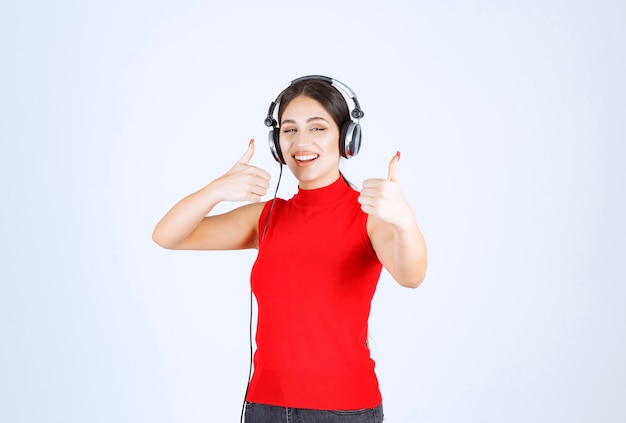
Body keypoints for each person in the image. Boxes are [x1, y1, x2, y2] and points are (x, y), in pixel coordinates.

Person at [152, 76, 427, 423]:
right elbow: (167, 235)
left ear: (346, 138)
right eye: (289, 130)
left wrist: (405, 222)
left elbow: (412, 275)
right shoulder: (267, 218)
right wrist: (215, 190)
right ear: (276, 141)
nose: (301, 142)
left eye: (317, 128)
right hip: (264, 406)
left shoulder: (370, 216)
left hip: (343, 410)